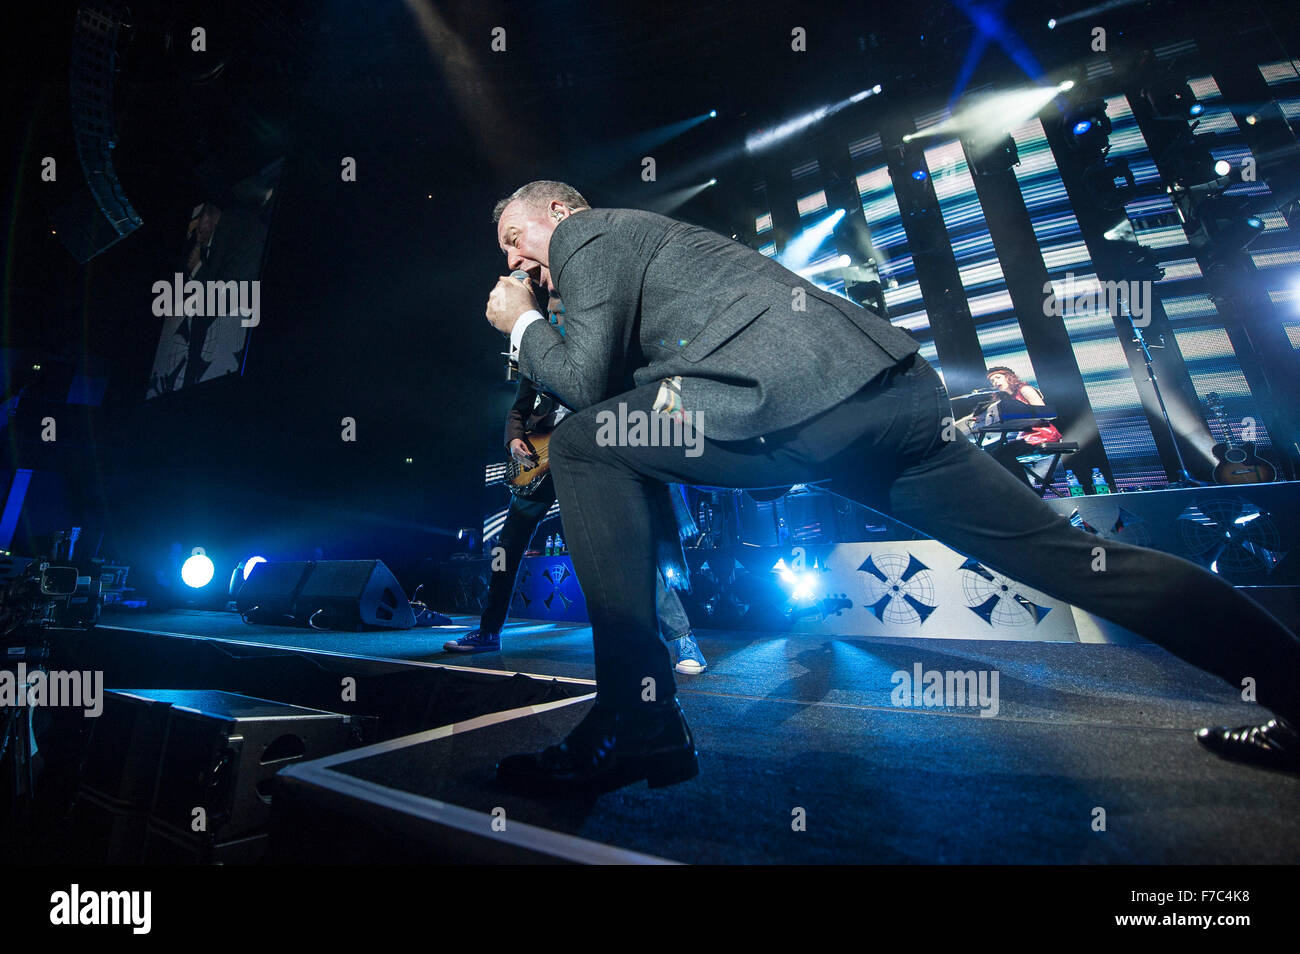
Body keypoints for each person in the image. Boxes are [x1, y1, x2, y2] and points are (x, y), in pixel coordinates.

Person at [482, 180, 1300, 792]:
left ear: (559, 212)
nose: (516, 260)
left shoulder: (588, 234)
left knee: (588, 446)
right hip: (888, 397)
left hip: (808, 405)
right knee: (1073, 561)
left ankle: (638, 716)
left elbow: (587, 384)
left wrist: (520, 321)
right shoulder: (636, 257)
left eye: (518, 238)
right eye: (508, 257)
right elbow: (624, 376)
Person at [448, 294, 708, 674]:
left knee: (625, 547)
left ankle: (683, 639)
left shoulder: (599, 352)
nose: (554, 318)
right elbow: (518, 410)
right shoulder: (538, 355)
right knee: (507, 549)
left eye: (559, 312)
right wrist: (514, 439)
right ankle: (488, 632)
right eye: (550, 314)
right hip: (538, 466)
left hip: (586, 463)